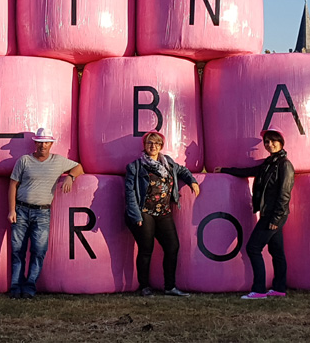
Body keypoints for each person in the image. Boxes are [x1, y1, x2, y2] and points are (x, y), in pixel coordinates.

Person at [216, 127, 293, 300]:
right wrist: (225, 170)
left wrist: (275, 218)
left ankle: (259, 290)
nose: (270, 144)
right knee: (276, 251)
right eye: (267, 141)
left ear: (281, 142)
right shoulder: (269, 163)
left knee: (253, 248)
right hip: (269, 213)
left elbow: (284, 194)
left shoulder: (284, 165)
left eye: (273, 140)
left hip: (274, 214)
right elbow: (248, 171)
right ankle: (279, 288)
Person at [7, 127, 84, 299]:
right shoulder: (24, 160)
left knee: (39, 251)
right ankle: (15, 287)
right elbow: (13, 185)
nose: (43, 146)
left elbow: (79, 167)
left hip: (42, 212)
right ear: (35, 143)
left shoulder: (58, 161)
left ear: (51, 144)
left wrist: (70, 177)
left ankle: (29, 287)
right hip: (21, 210)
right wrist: (11, 210)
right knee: (17, 250)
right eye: (40, 143)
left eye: (46, 143)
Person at [124, 131, 201, 297]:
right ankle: (144, 286)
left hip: (163, 212)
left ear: (161, 146)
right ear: (144, 146)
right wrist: (136, 215)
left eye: (157, 143)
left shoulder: (168, 163)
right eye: (150, 143)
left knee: (172, 247)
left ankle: (170, 287)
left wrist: (192, 181)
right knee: (146, 249)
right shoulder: (135, 166)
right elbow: (130, 193)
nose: (153, 146)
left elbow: (183, 171)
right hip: (145, 212)